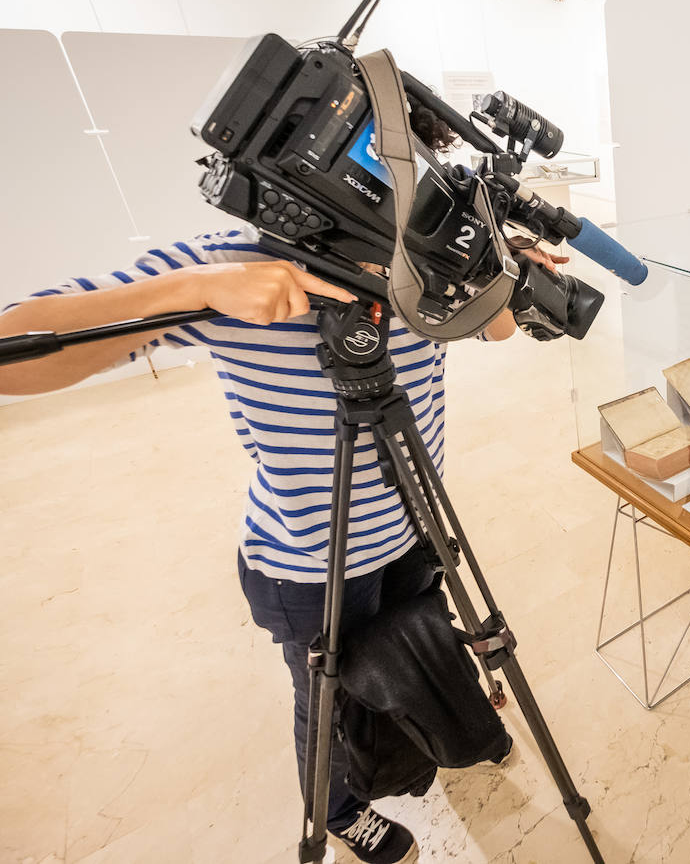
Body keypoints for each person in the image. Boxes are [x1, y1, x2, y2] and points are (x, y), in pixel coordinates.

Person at [0, 117, 566, 864]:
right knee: (329, 703)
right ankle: (336, 809)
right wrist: (198, 289)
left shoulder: (420, 251)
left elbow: (495, 332)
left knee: (427, 638)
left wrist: (500, 268)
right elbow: (13, 354)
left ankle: (453, 723)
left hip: (416, 521)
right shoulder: (228, 262)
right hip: (308, 561)